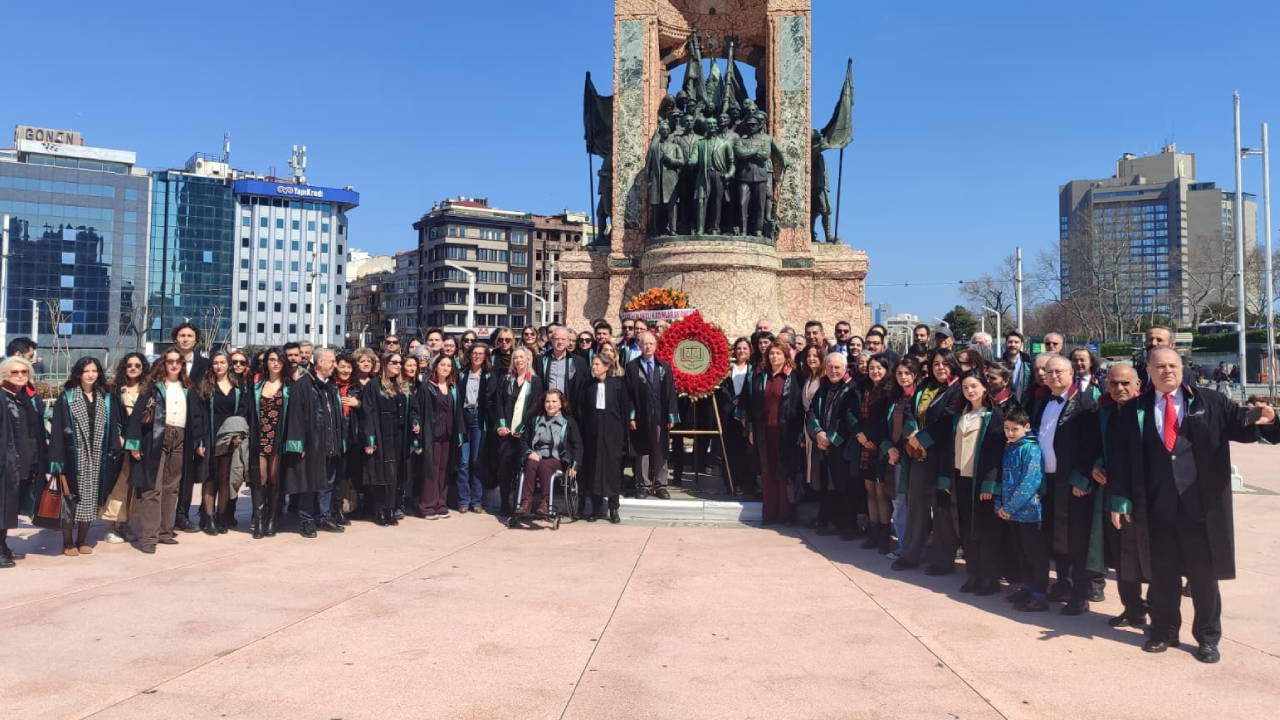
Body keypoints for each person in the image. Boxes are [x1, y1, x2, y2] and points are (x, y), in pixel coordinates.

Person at [1109, 347, 1277, 663]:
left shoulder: (1210, 402)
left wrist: (1268, 421)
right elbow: (1120, 458)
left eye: (1172, 365)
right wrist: (1119, 499)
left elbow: (1243, 427)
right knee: (1163, 576)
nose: (1167, 371)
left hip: (1201, 509)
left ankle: (1207, 638)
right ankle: (1164, 631)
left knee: (1204, 577)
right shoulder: (1134, 410)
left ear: (1182, 368)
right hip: (1156, 508)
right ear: (1148, 371)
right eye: (1160, 366)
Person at [911, 373, 1006, 593]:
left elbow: (996, 453)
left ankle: (989, 578)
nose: (969, 391)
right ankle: (973, 573)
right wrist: (914, 438)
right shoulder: (959, 415)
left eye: (974, 386)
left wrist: (990, 484)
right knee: (966, 528)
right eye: (965, 387)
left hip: (981, 483)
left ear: (984, 387)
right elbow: (942, 444)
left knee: (986, 530)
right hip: (960, 479)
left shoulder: (995, 416)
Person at [1029, 355, 1100, 615]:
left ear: (1071, 374)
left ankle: (1080, 593)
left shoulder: (1085, 404)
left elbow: (1092, 445)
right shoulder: (1042, 402)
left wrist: (1082, 478)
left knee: (1076, 539)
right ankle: (1062, 584)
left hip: (1072, 482)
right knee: (1052, 535)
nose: (1054, 376)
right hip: (1046, 481)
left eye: (1059, 371)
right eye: (1049, 372)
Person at [126, 348, 204, 554]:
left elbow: (196, 417)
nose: (174, 365)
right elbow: (137, 415)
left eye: (178, 361)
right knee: (153, 487)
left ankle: (165, 531)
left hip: (181, 439)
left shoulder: (188, 387)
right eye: (170, 361)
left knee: (172, 487)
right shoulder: (153, 387)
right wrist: (134, 444)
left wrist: (199, 441)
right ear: (164, 364)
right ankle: (148, 537)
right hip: (157, 438)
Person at [892, 349, 962, 572]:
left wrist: (922, 439)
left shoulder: (958, 389)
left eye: (945, 363)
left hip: (943, 456)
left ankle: (942, 561)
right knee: (916, 506)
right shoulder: (925, 387)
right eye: (936, 364)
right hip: (918, 455)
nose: (940, 367)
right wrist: (912, 434)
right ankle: (911, 554)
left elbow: (949, 420)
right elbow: (909, 412)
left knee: (941, 510)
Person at [49, 357, 122, 556]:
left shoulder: (105, 397)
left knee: (91, 499)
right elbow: (57, 430)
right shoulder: (67, 397)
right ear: (78, 374)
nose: (90, 375)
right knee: (70, 499)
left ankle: (82, 539)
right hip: (74, 455)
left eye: (94, 370)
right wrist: (56, 461)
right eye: (86, 371)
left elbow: (114, 426)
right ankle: (68, 542)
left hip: (98, 455)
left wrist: (115, 451)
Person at [1094, 363, 1146, 629]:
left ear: (1138, 385)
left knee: (1149, 558)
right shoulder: (1105, 412)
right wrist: (1097, 465)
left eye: (1125, 383)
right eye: (1114, 383)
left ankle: (1159, 614)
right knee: (1123, 557)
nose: (1119, 388)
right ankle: (1133, 608)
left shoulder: (1146, 412)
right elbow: (1102, 448)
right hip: (1113, 492)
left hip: (1144, 494)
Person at [285, 348, 347, 537]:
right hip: (312, 444)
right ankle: (307, 520)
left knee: (328, 481)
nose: (335, 365)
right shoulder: (303, 385)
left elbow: (336, 415)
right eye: (332, 361)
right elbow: (295, 416)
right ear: (320, 362)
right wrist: (298, 444)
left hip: (330, 442)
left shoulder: (332, 386)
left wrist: (340, 440)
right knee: (309, 483)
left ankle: (324, 516)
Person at [742, 340, 802, 524]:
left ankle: (784, 514)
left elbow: (798, 408)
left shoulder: (793, 377)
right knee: (767, 471)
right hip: (764, 431)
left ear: (785, 356)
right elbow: (754, 406)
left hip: (785, 432)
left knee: (783, 471)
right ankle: (769, 513)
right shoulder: (762, 377)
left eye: (778, 353)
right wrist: (751, 429)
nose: (774, 357)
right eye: (771, 354)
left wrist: (798, 434)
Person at [997, 407, 1050, 611]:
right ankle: (1027, 587)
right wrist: (999, 504)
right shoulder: (1010, 448)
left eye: (1015, 429)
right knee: (1021, 552)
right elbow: (1003, 478)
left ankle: (1039, 594)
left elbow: (1030, 481)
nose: (1010, 433)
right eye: (1007, 428)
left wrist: (1009, 507)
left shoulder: (1031, 449)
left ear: (1026, 427)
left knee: (1035, 553)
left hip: (1029, 512)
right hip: (1011, 512)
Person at [194, 351, 250, 536]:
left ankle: (221, 516)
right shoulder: (206, 386)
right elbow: (199, 415)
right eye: (215, 363)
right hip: (210, 436)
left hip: (230, 438)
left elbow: (243, 411)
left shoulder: (238, 386)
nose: (219, 366)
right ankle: (208, 517)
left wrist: (238, 433)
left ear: (228, 365)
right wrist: (200, 441)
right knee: (210, 478)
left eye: (222, 362)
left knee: (225, 478)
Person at [805, 352, 858, 537]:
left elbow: (849, 420)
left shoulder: (851, 389)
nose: (833, 371)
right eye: (830, 367)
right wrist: (818, 433)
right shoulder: (823, 388)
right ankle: (830, 522)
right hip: (824, 445)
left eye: (837, 367)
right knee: (828, 485)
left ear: (845, 368)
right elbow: (811, 413)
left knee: (844, 486)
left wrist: (831, 439)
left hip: (843, 447)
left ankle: (849, 526)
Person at [2, 355, 48, 563]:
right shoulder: (3, 397)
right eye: (15, 372)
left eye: (24, 372)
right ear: (4, 374)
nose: (20, 375)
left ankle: (3, 546)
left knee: (10, 507)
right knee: (3, 506)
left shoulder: (24, 397)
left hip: (24, 461)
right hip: (6, 462)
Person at [625, 331, 679, 499]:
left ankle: (661, 485)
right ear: (639, 346)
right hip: (641, 415)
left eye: (651, 344)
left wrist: (671, 416)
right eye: (644, 344)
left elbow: (670, 392)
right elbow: (629, 394)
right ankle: (643, 485)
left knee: (661, 449)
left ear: (655, 346)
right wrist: (631, 416)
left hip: (660, 415)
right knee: (642, 450)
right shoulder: (632, 367)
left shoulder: (664, 366)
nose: (647, 347)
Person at [491, 347, 543, 516]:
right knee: (504, 469)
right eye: (515, 358)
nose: (518, 360)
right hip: (506, 432)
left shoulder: (535, 381)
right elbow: (498, 403)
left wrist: (523, 426)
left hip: (524, 433)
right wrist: (501, 424)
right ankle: (505, 503)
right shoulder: (506, 380)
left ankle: (521, 504)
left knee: (523, 469)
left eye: (522, 357)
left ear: (528, 359)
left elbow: (536, 406)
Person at [101, 354, 147, 544]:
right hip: (120, 445)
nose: (133, 368)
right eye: (129, 365)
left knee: (134, 487)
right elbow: (111, 417)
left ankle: (125, 524)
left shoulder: (147, 390)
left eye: (137, 365)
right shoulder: (115, 390)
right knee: (118, 485)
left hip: (141, 444)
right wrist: (118, 437)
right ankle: (112, 526)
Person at [361, 353, 411, 526]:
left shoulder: (400, 385)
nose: (399, 365)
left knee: (394, 474)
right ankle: (380, 510)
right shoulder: (374, 385)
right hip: (381, 436)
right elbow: (368, 413)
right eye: (394, 362)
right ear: (385, 364)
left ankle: (391, 509)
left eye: (400, 362)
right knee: (381, 473)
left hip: (397, 436)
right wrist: (370, 440)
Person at [517, 389, 582, 517]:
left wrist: (575, 465)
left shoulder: (568, 422)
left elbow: (578, 445)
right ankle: (526, 503)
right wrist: (529, 453)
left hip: (558, 458)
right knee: (530, 463)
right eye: (547, 401)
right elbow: (523, 440)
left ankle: (545, 503)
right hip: (537, 456)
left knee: (545, 465)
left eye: (554, 401)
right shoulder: (535, 420)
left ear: (561, 404)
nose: (550, 404)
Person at [579, 354, 629, 523]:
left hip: (613, 436)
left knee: (612, 471)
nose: (594, 367)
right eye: (593, 364)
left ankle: (613, 509)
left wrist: (623, 436)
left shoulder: (618, 385)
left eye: (597, 364)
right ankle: (596, 508)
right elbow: (582, 411)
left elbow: (624, 411)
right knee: (594, 470)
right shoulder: (587, 385)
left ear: (607, 367)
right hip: (592, 436)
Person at [413, 354, 463, 519]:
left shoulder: (452, 387)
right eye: (442, 365)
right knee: (431, 470)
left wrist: (459, 434)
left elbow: (457, 412)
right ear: (435, 366)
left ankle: (441, 504)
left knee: (444, 469)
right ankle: (427, 506)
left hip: (448, 435)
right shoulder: (427, 387)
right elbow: (417, 409)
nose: (445, 368)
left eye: (449, 365)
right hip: (432, 435)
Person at [248, 349, 291, 538]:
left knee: (274, 479)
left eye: (279, 360)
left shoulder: (289, 387)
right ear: (266, 363)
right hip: (260, 437)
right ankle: (258, 520)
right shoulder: (257, 386)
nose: (275, 363)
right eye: (271, 360)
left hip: (278, 438)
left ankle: (272, 519)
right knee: (260, 479)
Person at [883, 359, 923, 558]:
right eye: (899, 373)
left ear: (915, 375)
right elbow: (885, 427)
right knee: (898, 503)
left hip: (914, 457)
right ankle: (903, 546)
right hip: (896, 457)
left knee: (916, 504)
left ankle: (915, 547)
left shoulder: (920, 396)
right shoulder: (895, 399)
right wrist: (888, 448)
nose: (903, 377)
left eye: (907, 373)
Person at [854, 354, 894, 551]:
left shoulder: (890, 391)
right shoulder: (864, 388)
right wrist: (862, 437)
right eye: (871, 368)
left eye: (879, 368)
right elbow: (858, 417)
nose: (875, 371)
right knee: (869, 490)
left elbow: (885, 421)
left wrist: (873, 440)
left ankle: (885, 535)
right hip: (864, 444)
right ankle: (874, 531)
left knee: (881, 492)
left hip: (882, 445)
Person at [456, 343, 493, 514]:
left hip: (479, 417)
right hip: (464, 416)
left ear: (485, 357)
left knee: (476, 460)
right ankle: (463, 500)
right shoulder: (462, 373)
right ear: (470, 355)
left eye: (481, 353)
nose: (477, 356)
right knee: (463, 462)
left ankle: (476, 501)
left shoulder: (488, 375)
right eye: (474, 353)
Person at [717, 338, 755, 495]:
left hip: (747, 416)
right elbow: (722, 390)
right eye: (739, 348)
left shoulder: (753, 370)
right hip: (730, 415)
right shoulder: (727, 370)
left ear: (750, 351)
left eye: (745, 348)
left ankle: (748, 483)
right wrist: (733, 401)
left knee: (746, 451)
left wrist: (742, 401)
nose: (741, 351)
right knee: (731, 449)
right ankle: (732, 482)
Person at [535, 327, 590, 408]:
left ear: (568, 341)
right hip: (548, 407)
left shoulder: (579, 362)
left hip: (569, 408)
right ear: (551, 340)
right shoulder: (540, 361)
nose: (560, 342)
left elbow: (583, 387)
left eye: (563, 339)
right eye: (557, 339)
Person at [1002, 331, 1034, 402]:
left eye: (1016, 342)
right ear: (1006, 343)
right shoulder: (999, 363)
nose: (1013, 344)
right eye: (1010, 342)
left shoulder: (1029, 363)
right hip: (1004, 403)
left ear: (1021, 344)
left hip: (1025, 403)